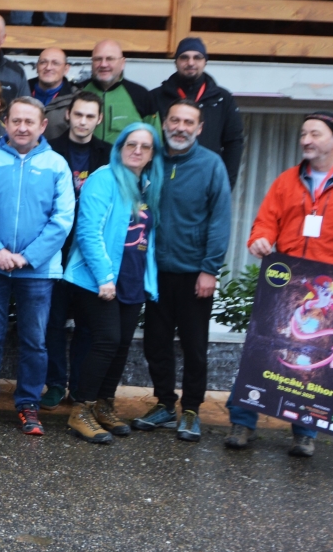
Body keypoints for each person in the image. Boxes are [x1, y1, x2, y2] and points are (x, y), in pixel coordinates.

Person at [226, 113, 333, 456]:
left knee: (313, 358)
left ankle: (306, 430)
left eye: (315, 134)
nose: (306, 140)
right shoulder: (286, 181)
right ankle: (241, 422)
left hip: (332, 290)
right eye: (304, 133)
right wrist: (261, 239)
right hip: (288, 285)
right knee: (263, 350)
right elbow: (266, 222)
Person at [0, 97, 74, 435]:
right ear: (5, 123)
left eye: (30, 121)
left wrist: (27, 257)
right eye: (16, 121)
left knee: (35, 341)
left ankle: (29, 405)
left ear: (43, 125)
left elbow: (63, 219)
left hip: (37, 271)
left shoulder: (57, 164)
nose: (22, 127)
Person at [131, 100, 231, 442]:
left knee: (194, 346)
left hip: (194, 274)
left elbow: (220, 221)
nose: (180, 127)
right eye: (175, 120)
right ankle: (163, 404)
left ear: (199, 128)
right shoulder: (151, 161)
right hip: (155, 272)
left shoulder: (211, 165)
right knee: (155, 344)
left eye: (188, 122)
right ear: (165, 123)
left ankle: (191, 410)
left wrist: (210, 269)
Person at [62, 123, 162, 444]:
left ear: (151, 154)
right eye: (131, 144)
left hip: (132, 278)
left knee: (120, 345)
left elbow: (148, 237)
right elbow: (89, 232)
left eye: (145, 147)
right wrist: (105, 277)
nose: (137, 150)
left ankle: (104, 405)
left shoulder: (147, 184)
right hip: (98, 279)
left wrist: (150, 281)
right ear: (119, 146)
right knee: (105, 340)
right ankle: (81, 411)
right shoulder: (103, 179)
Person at [43, 90, 108, 407]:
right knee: (53, 322)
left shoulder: (109, 157)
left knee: (86, 323)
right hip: (55, 248)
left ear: (99, 119)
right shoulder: (50, 151)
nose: (83, 121)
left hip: (91, 252)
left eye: (89, 116)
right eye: (78, 114)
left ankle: (79, 385)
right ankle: (54, 383)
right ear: (68, 115)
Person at [152, 37, 243, 185]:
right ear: (176, 61)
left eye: (197, 57)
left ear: (205, 61)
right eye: (184, 57)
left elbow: (234, 143)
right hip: (164, 179)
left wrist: (226, 183)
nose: (191, 63)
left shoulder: (223, 98)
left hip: (206, 180)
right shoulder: (156, 97)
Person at [84, 40, 158, 144]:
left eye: (110, 59)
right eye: (98, 59)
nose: (103, 64)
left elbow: (155, 137)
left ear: (122, 63)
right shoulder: (79, 91)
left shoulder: (140, 95)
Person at [29, 47, 76, 140]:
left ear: (66, 69)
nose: (48, 67)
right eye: (43, 62)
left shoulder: (76, 99)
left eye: (55, 63)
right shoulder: (22, 90)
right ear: (37, 66)